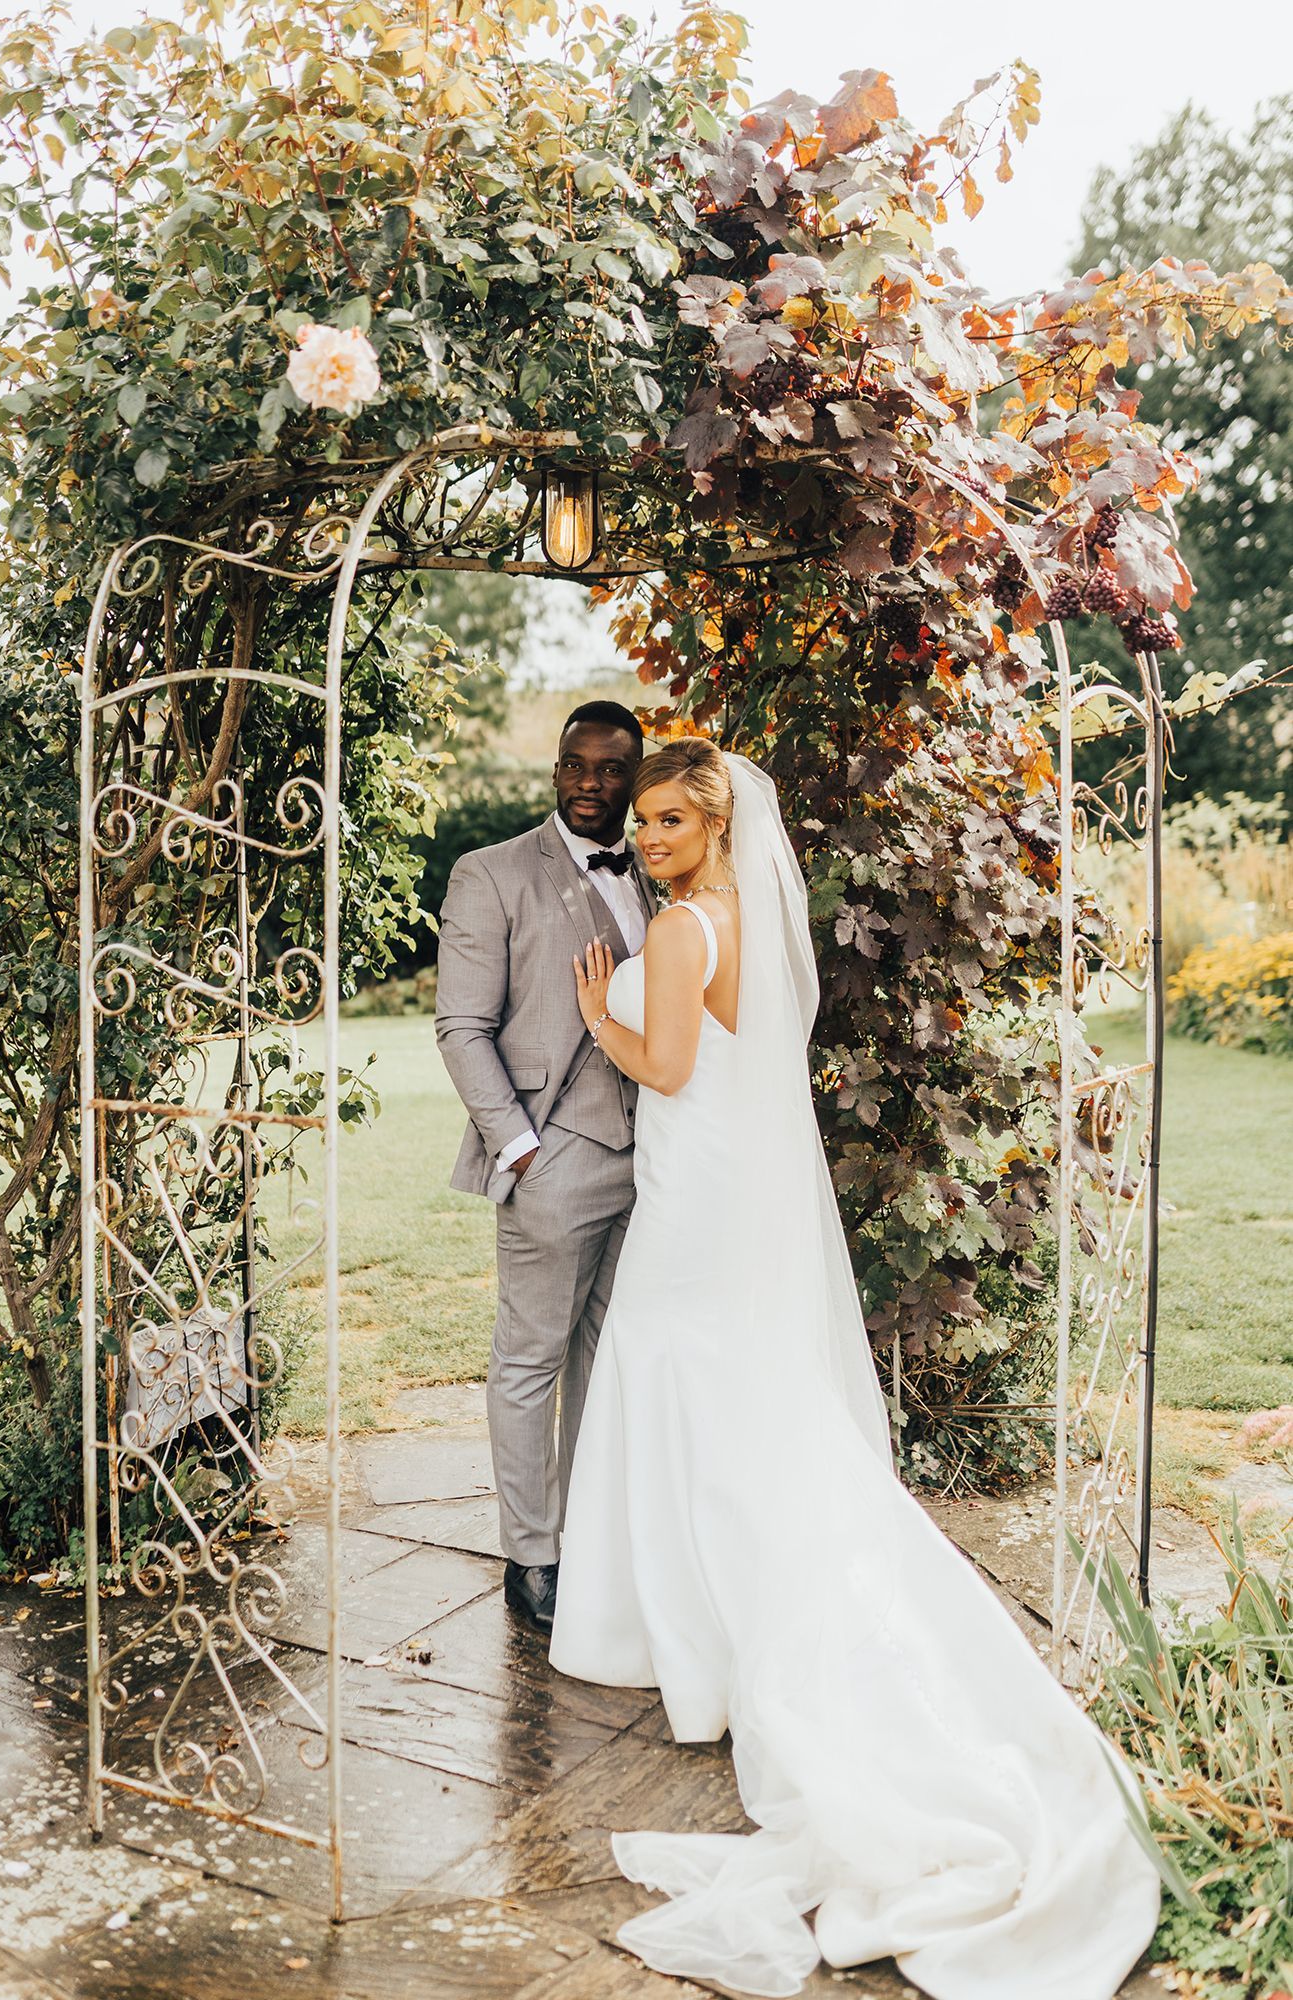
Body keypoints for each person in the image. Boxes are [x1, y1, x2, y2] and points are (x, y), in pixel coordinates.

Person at [549, 738, 1161, 2000]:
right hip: (737, 1187)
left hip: (690, 1192)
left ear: (715, 822)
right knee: (729, 1388)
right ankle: (712, 1611)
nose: (651, 837)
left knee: (670, 1370)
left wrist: (595, 1010)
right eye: (645, 821)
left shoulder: (675, 931)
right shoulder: (748, 916)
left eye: (671, 819)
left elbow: (663, 1064)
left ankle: (686, 1637)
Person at [434, 702, 657, 1633]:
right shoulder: (492, 874)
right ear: (556, 766)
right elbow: (461, 1026)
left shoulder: (662, 867)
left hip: (656, 1157)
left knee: (608, 1358)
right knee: (529, 1360)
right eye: (577, 764)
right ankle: (533, 1556)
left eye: (612, 770)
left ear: (634, 779)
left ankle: (593, 1535)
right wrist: (516, 1144)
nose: (591, 783)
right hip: (552, 1154)